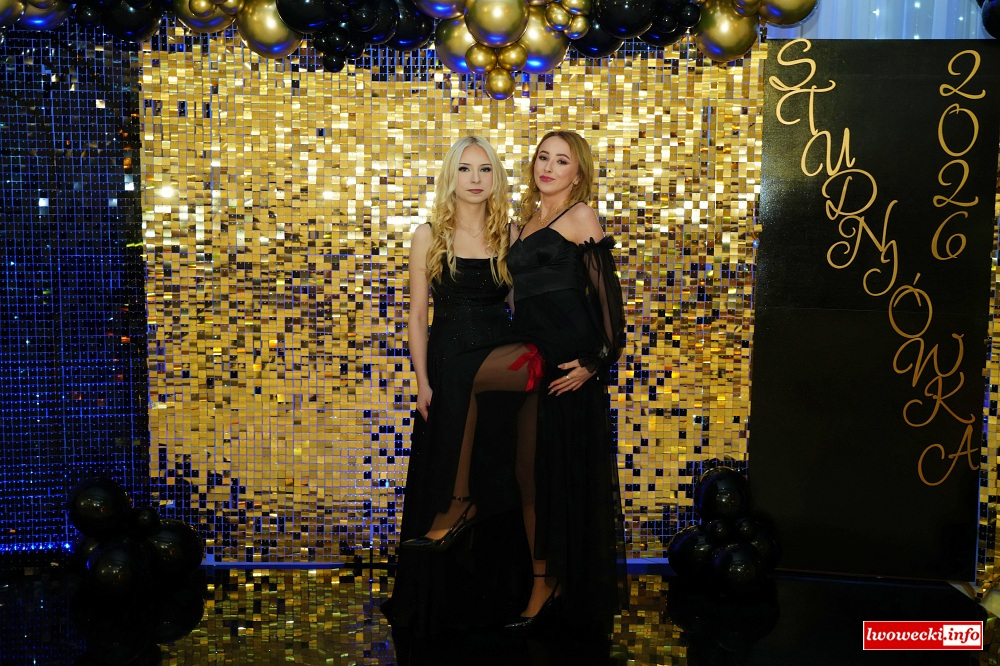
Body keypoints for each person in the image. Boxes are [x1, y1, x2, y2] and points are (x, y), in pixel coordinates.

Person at [403, 130, 627, 635]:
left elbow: (603, 297)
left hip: (549, 355)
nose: (549, 167)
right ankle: (530, 573)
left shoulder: (559, 220)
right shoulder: (521, 226)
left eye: (561, 160)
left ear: (579, 171)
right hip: (522, 350)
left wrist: (597, 359)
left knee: (528, 466)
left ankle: (466, 510)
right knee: (526, 471)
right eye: (543, 158)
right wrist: (422, 378)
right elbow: (518, 299)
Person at [381, 136, 528, 640]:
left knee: (495, 473)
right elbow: (417, 316)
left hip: (496, 370)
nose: (475, 179)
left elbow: (523, 307)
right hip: (447, 367)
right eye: (465, 169)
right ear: (451, 176)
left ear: (496, 178)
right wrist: (422, 381)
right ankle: (439, 605)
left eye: (485, 169)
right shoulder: (428, 234)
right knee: (444, 466)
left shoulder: (510, 233)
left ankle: (496, 600)